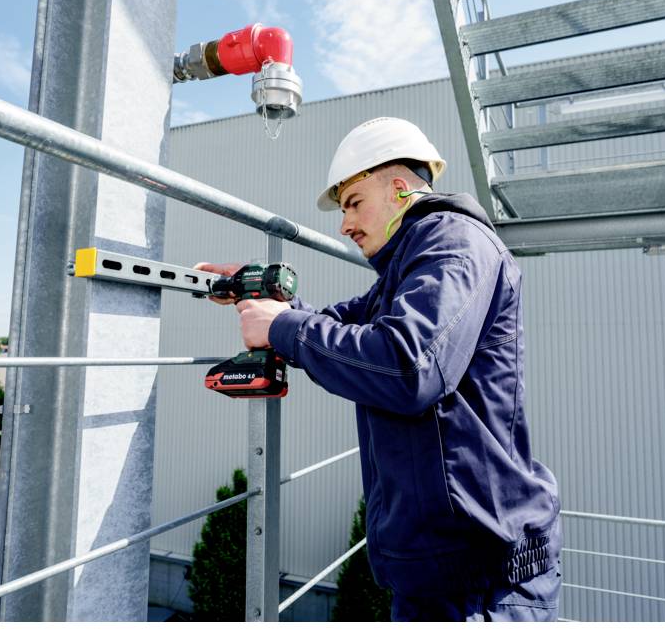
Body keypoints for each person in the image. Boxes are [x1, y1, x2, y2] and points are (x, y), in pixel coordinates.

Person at [198, 117, 561, 622]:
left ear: (398, 189)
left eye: (352, 202)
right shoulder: (408, 267)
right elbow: (337, 328)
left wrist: (281, 328)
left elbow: (408, 367)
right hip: (445, 569)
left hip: (480, 582)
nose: (343, 225)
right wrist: (268, 299)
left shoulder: (453, 243)